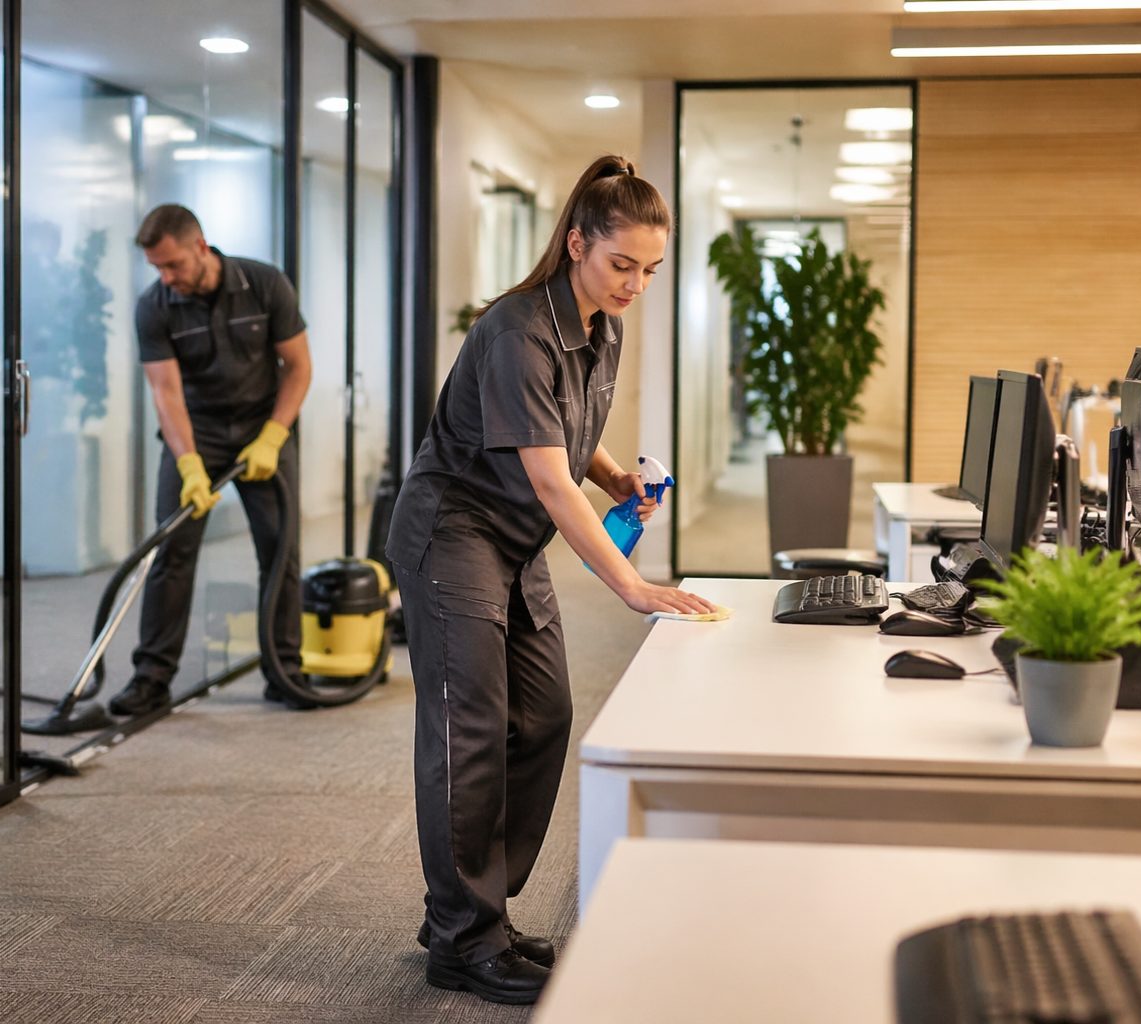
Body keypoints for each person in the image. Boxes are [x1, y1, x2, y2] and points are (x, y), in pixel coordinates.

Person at [385, 155, 718, 1004]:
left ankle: (474, 911)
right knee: (471, 729)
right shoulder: (517, 331)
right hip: (453, 533)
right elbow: (544, 477)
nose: (635, 284)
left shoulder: (600, 323)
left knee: (543, 715)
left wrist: (614, 478)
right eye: (621, 265)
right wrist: (635, 589)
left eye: (649, 270)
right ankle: (463, 941)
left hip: (513, 542)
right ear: (576, 244)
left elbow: (569, 435)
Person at [108, 205, 313, 717]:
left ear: (201, 246)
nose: (166, 277)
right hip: (194, 434)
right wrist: (189, 464)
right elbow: (166, 392)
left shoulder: (264, 284)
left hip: (262, 429)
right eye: (157, 267)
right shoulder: (155, 305)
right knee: (171, 555)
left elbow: (299, 367)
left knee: (279, 550)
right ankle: (151, 679)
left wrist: (273, 435)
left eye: (173, 264)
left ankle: (284, 670)